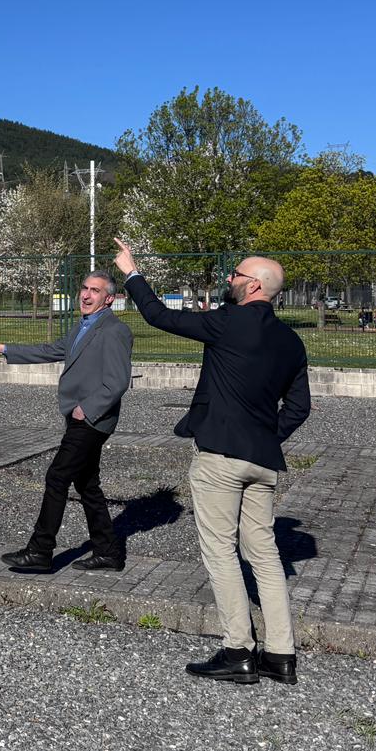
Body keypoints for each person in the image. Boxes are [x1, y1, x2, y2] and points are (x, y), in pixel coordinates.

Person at [113, 239, 311, 686]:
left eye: (236, 273)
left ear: (254, 285)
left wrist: (132, 272)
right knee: (265, 554)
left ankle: (238, 651)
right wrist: (264, 436)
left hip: (221, 456)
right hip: (263, 460)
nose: (228, 277)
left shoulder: (229, 321)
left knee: (220, 551)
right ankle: (281, 655)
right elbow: (299, 407)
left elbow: (159, 316)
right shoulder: (291, 340)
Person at [0, 271, 135, 574]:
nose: (86, 295)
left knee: (57, 476)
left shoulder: (115, 330)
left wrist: (86, 409)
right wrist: (4, 349)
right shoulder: (83, 326)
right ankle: (108, 552)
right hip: (78, 417)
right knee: (87, 485)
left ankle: (40, 550)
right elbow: (52, 350)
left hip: (91, 420)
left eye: (95, 291)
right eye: (84, 288)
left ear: (109, 299)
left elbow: (117, 382)